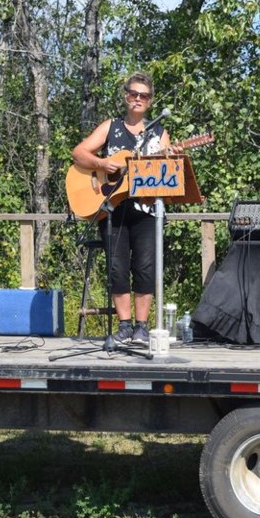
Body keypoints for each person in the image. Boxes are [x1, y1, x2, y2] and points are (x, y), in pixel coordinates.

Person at [71, 71, 171, 347]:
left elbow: (166, 173)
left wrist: (168, 161)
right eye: (133, 94)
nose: (138, 99)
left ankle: (141, 327)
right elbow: (79, 153)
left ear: (150, 102)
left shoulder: (159, 133)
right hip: (112, 209)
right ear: (126, 96)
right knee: (117, 267)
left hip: (147, 210)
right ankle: (124, 326)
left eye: (144, 96)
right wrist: (102, 165)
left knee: (145, 266)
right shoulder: (111, 127)